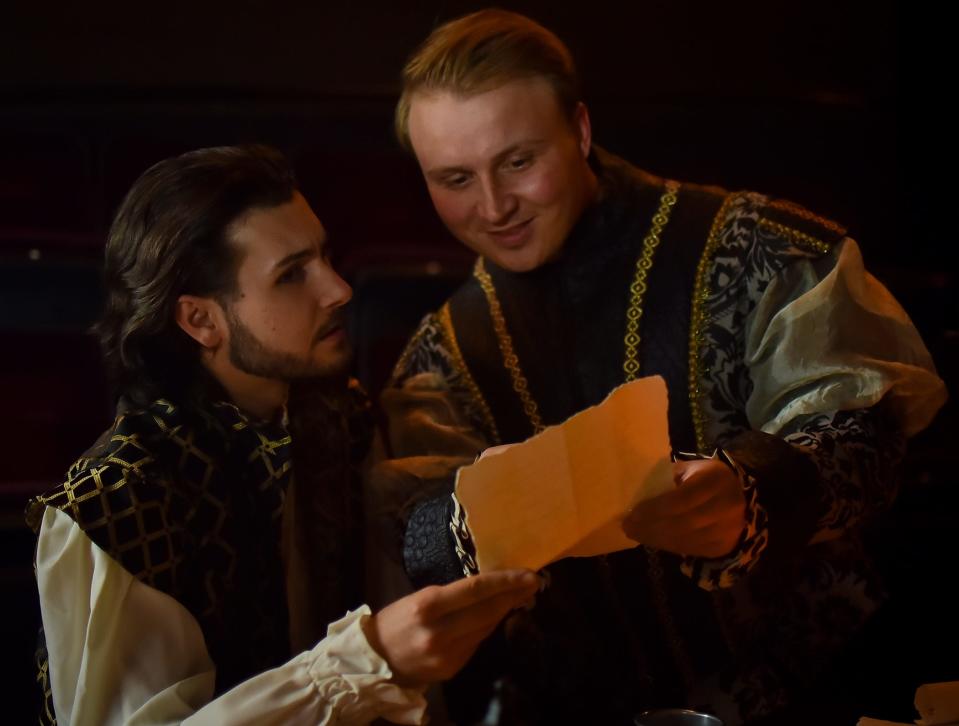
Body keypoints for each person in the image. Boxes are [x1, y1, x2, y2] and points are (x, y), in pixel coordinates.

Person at [379, 9, 948, 725]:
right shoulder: (443, 353)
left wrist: (750, 491)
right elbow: (407, 530)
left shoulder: (757, 247)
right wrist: (474, 512)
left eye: (519, 161)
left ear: (579, 131)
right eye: (455, 178)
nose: (492, 207)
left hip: (817, 690)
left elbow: (866, 434)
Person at [25, 144, 540, 725]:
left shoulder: (337, 416)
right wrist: (363, 662)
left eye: (324, 256)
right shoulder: (115, 498)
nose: (339, 288)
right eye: (292, 274)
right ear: (200, 320)